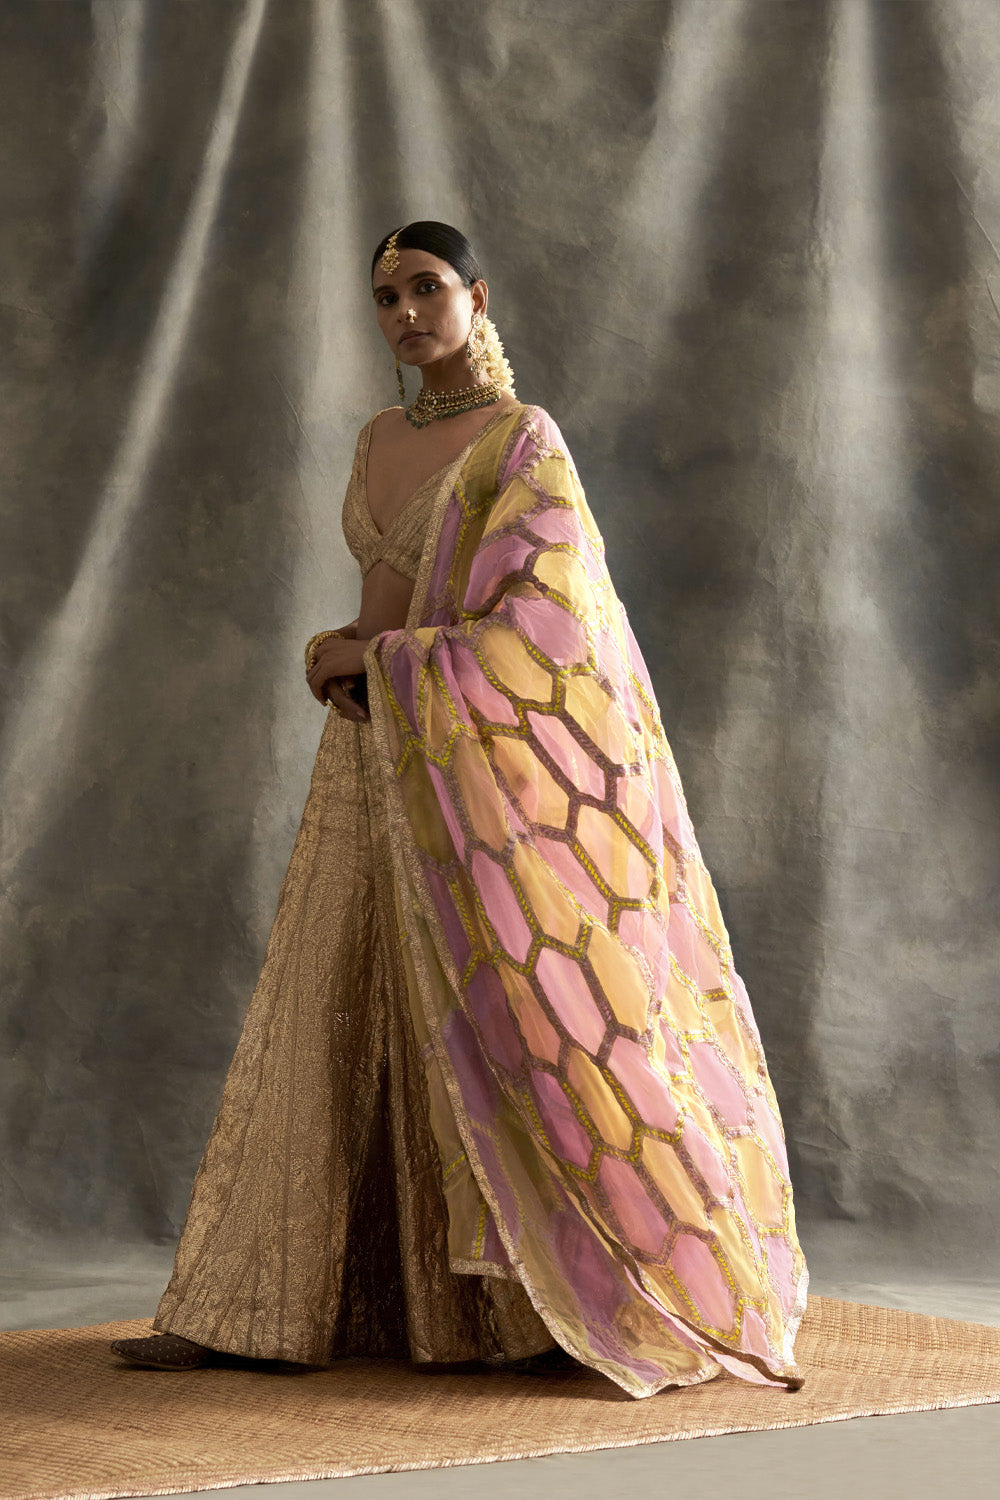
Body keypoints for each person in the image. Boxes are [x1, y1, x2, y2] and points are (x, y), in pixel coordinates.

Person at [111, 222, 808, 1398]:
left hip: (481, 777)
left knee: (516, 1004)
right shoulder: (378, 439)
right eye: (384, 296)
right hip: (377, 755)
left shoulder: (523, 441)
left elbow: (551, 632)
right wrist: (340, 653)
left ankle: (544, 1309)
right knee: (329, 1004)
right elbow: (383, 597)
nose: (404, 313)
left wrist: (379, 660)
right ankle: (257, 1304)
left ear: (477, 298)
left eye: (426, 288)